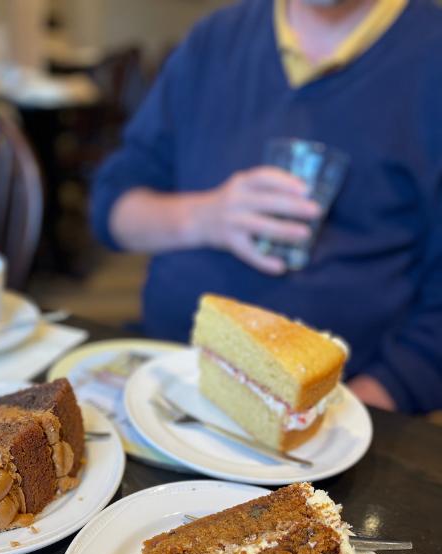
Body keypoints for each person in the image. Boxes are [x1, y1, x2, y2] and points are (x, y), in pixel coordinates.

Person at [91, 0, 442, 414]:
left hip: (337, 408)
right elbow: (111, 209)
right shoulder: (214, 40)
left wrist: (344, 419)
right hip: (167, 375)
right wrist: (206, 217)